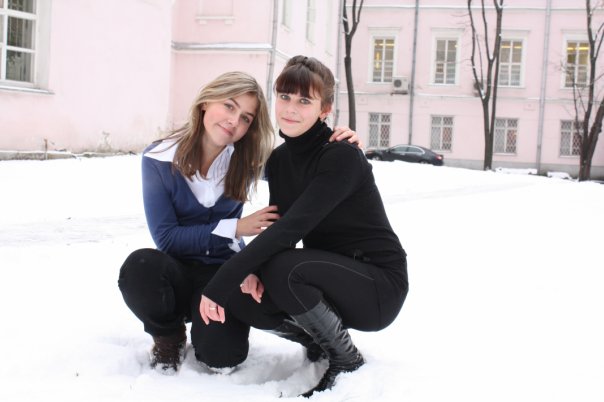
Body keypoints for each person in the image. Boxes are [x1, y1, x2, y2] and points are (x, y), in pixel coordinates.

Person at [117, 71, 360, 374]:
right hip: (174, 273)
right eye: (229, 106)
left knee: (222, 357)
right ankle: (168, 336)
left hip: (223, 275)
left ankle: (253, 331)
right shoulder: (160, 158)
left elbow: (300, 163)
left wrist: (336, 143)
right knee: (140, 267)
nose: (234, 121)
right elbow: (167, 238)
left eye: (246, 118)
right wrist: (235, 228)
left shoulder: (248, 159)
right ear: (206, 102)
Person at [199, 56, 408, 397]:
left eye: (304, 101)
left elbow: (290, 230)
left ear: (325, 109)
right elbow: (278, 225)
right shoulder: (281, 160)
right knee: (246, 293)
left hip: (378, 285)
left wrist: (221, 281)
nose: (291, 109)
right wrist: (245, 275)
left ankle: (345, 359)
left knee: (281, 268)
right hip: (327, 276)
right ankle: (318, 340)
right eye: (285, 96)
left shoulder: (340, 155)